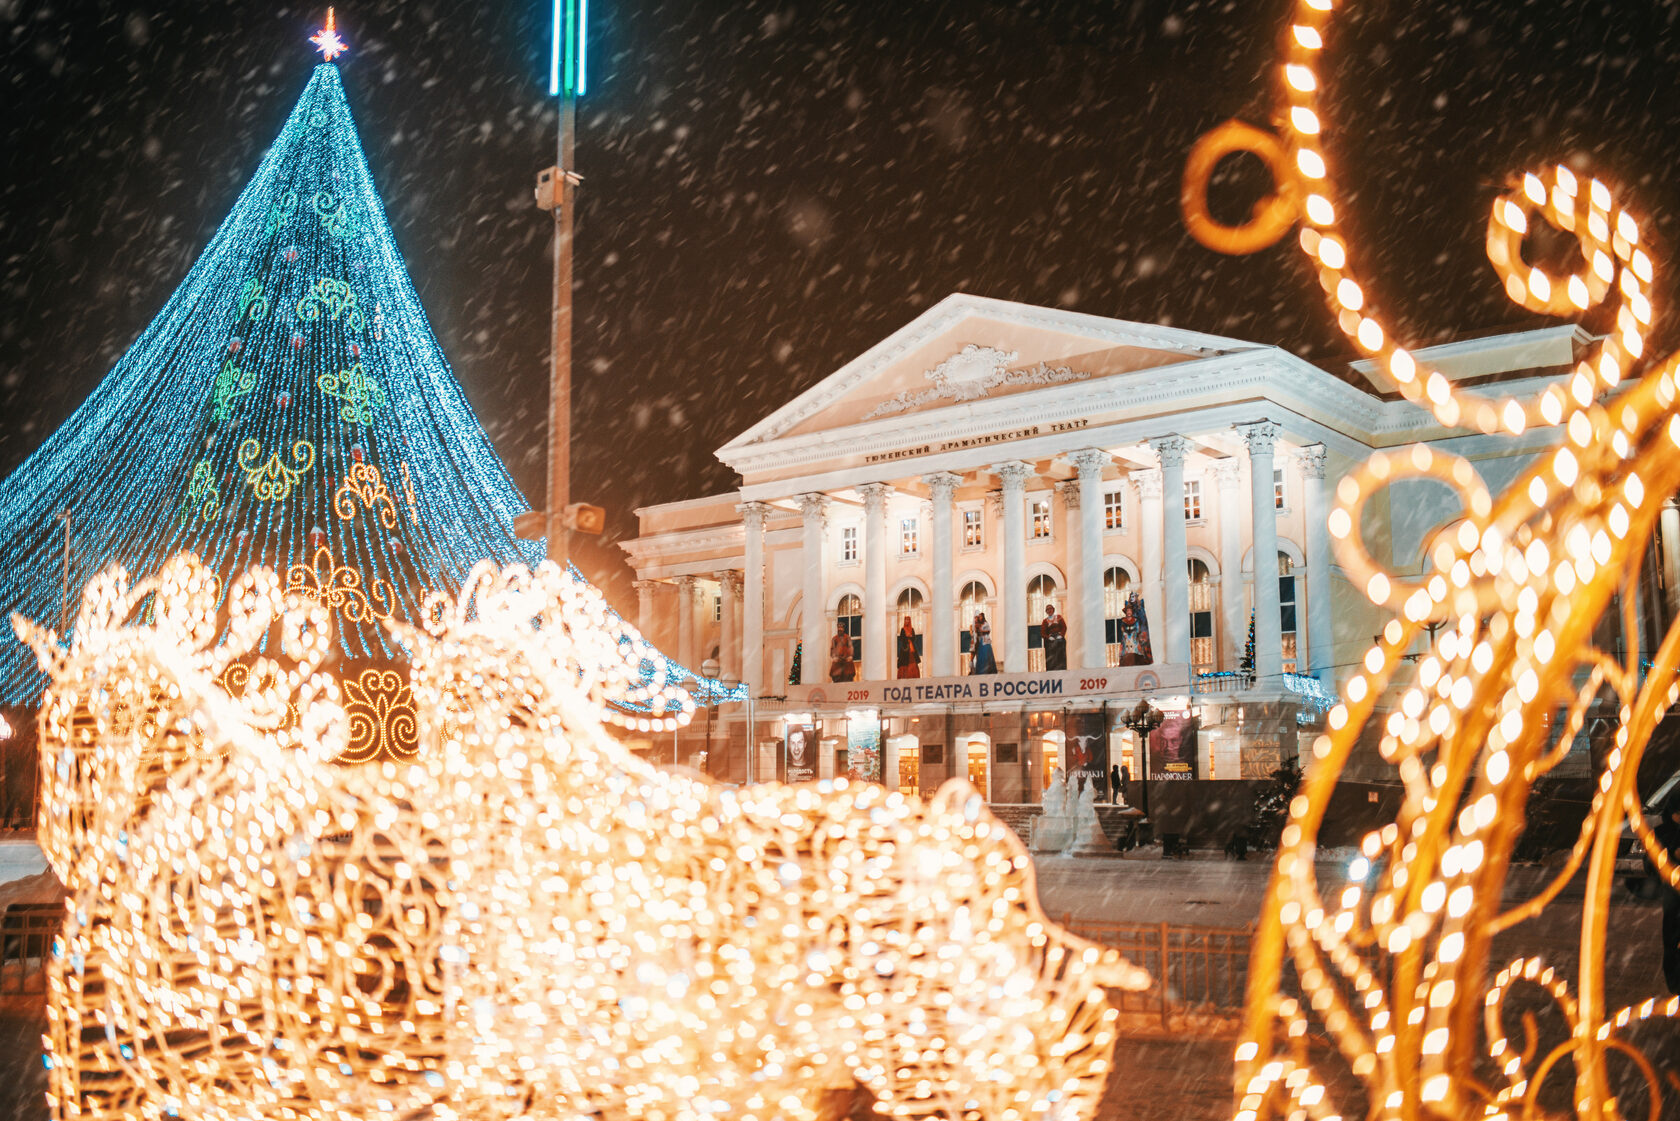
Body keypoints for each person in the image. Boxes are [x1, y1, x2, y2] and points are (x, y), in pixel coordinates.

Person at [1658, 793, 1680, 995]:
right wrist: (1672, 853)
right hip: (1673, 896)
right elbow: (1652, 863)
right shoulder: (1665, 832)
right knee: (1672, 939)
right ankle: (1675, 983)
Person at [1042, 603, 1068, 671]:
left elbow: (1064, 627)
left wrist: (1061, 635)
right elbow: (1043, 633)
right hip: (1050, 640)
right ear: (1046, 611)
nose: (1049, 611)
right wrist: (1048, 637)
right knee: (1051, 656)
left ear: (1053, 610)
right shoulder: (1045, 621)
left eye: (1050, 609)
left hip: (1059, 637)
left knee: (1060, 654)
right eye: (1047, 610)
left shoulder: (1059, 617)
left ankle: (1061, 668)